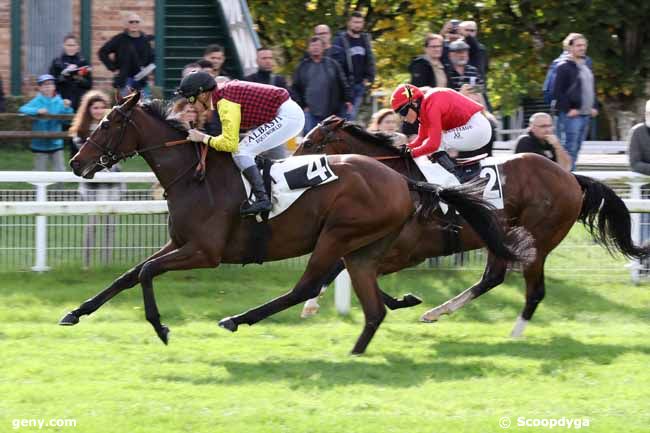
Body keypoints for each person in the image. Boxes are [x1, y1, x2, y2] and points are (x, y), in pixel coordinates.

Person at [176, 71, 304, 216]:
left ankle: (263, 199)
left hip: (287, 117)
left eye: (191, 99)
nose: (190, 105)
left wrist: (202, 137)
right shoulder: (222, 94)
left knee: (241, 151)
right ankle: (262, 190)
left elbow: (230, 144)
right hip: (285, 114)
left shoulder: (225, 102)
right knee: (245, 150)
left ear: (203, 94)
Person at [390, 84, 490, 188]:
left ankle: (457, 177)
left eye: (403, 112)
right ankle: (455, 174)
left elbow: (433, 145)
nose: (402, 118)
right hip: (475, 128)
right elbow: (420, 139)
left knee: (435, 145)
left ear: (414, 104)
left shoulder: (431, 106)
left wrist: (410, 154)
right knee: (431, 145)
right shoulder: (425, 107)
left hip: (478, 129)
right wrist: (403, 149)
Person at [69, 90, 121, 267]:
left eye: (102, 107)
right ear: (88, 109)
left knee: (110, 226)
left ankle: (107, 264)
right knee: (91, 225)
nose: (98, 111)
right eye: (95, 107)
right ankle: (87, 264)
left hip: (111, 183)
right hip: (91, 184)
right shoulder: (82, 132)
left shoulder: (114, 130)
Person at [552, 33, 598, 170]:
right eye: (578, 45)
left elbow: (590, 88)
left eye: (584, 45)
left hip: (585, 114)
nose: (582, 48)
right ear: (569, 47)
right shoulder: (563, 66)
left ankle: (570, 177)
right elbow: (557, 91)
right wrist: (568, 109)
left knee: (576, 149)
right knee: (568, 149)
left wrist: (594, 106)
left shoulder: (586, 64)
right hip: (572, 115)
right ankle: (566, 180)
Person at [292, 37, 352, 135]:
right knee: (310, 140)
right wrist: (302, 105)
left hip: (332, 111)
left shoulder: (333, 64)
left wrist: (348, 99)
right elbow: (295, 88)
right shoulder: (302, 67)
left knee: (332, 140)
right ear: (308, 49)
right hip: (310, 112)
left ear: (323, 48)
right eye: (313, 45)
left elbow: (343, 82)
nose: (315, 48)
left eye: (318, 46)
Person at [19, 74, 74, 171]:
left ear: (54, 86)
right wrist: (37, 111)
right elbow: (22, 109)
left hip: (56, 143)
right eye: (44, 84)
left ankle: (59, 186)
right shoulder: (36, 101)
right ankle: (39, 186)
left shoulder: (60, 101)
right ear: (39, 88)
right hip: (40, 143)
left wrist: (67, 108)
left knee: (60, 170)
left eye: (50, 84)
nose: (48, 86)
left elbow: (66, 121)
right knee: (39, 171)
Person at [98, 13, 155, 97]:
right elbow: (102, 52)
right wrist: (113, 68)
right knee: (125, 107)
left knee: (146, 106)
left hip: (141, 81)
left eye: (137, 22)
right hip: (124, 81)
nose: (134, 24)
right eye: (131, 22)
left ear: (140, 24)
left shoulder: (145, 40)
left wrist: (148, 70)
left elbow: (152, 58)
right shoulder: (119, 39)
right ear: (126, 24)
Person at [331, 12, 375, 120]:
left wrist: (369, 78)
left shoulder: (365, 40)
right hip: (344, 86)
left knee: (351, 117)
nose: (357, 25)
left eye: (360, 22)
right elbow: (336, 63)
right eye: (355, 22)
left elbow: (370, 59)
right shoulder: (340, 40)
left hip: (359, 85)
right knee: (344, 116)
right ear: (349, 23)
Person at [48, 34, 92, 112]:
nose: (71, 48)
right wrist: (63, 76)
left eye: (73, 45)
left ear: (77, 47)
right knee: (62, 122)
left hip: (79, 100)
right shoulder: (57, 62)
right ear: (64, 46)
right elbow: (51, 82)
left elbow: (89, 85)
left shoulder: (83, 62)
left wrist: (78, 78)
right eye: (68, 45)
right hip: (62, 99)